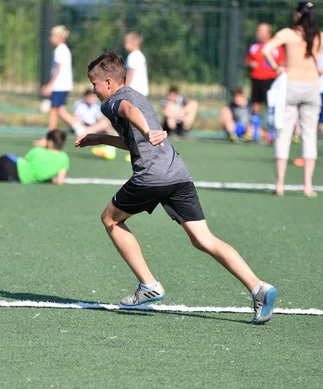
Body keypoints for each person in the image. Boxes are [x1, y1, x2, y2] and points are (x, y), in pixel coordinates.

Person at [74, 50, 277, 325]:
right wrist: (101, 138)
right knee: (203, 239)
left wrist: (145, 131)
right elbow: (136, 138)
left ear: (109, 83)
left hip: (151, 176)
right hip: (177, 173)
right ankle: (259, 288)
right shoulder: (139, 96)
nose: (94, 90)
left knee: (110, 218)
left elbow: (127, 112)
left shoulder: (112, 102)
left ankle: (148, 285)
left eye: (94, 83)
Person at [262, 1, 323, 197]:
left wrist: (277, 68)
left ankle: (280, 184)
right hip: (312, 87)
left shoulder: (288, 33)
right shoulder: (320, 36)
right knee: (309, 135)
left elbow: (266, 50)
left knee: (283, 133)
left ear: (298, 15)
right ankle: (308, 186)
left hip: (290, 86)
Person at [246, 23, 285, 142]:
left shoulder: (276, 47)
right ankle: (255, 134)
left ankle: (272, 134)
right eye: (258, 30)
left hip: (270, 80)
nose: (258, 33)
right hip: (256, 79)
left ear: (268, 33)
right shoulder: (254, 46)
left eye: (261, 31)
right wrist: (250, 64)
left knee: (271, 107)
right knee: (256, 106)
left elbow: (282, 63)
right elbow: (248, 61)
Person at [124, 32, 149, 97]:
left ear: (133, 43)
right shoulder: (140, 55)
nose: (124, 45)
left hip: (134, 91)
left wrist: (123, 87)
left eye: (126, 43)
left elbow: (131, 74)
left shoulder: (133, 56)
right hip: (141, 92)